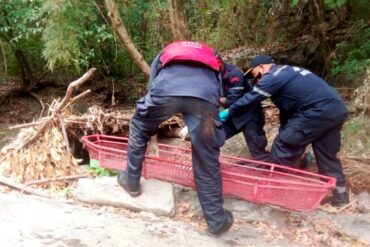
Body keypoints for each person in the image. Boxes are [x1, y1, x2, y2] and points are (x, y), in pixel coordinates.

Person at [117, 41, 233, 236]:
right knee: (206, 154)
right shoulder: (211, 53)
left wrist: (150, 119)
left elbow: (153, 81)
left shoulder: (169, 49)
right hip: (204, 98)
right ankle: (216, 220)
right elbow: (219, 83)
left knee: (139, 124)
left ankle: (131, 181)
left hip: (166, 91)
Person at [219, 55, 349, 207]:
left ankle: (278, 194)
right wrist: (285, 130)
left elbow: (250, 99)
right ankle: (340, 196)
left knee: (283, 145)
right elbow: (288, 112)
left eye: (254, 75)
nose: (255, 81)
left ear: (261, 67)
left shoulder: (273, 76)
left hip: (316, 111)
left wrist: (229, 112)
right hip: (336, 110)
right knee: (326, 155)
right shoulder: (290, 73)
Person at [220, 62, 269, 160]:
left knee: (258, 153)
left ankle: (284, 168)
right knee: (212, 138)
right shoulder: (210, 75)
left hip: (249, 115)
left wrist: (212, 97)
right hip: (233, 115)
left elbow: (232, 102)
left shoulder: (234, 74)